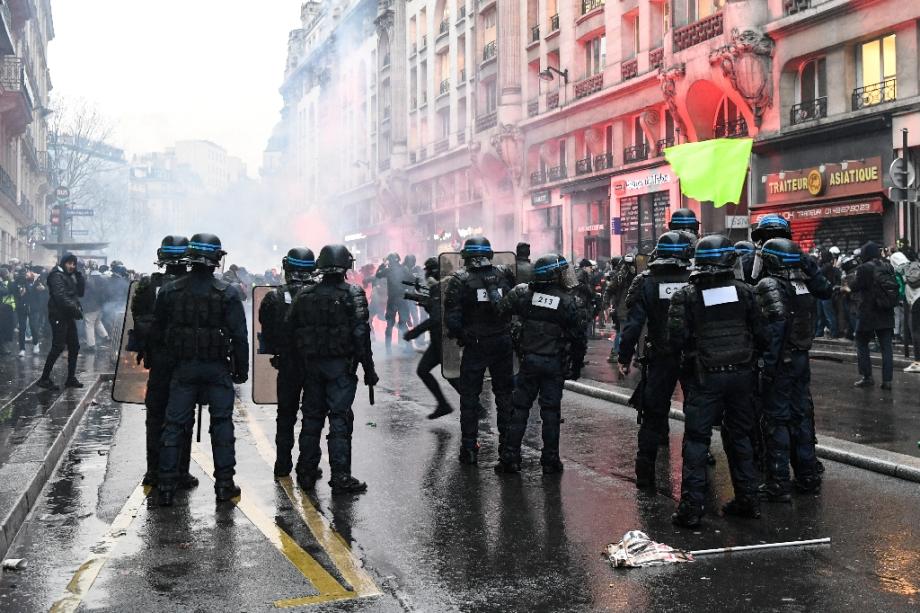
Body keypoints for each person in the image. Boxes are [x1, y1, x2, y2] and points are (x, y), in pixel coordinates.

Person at [667, 235, 766, 528]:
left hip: (704, 377)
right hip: (742, 375)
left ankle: (692, 509)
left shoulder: (686, 296)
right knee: (740, 437)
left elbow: (676, 340)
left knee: (697, 441)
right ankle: (748, 500)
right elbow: (763, 334)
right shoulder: (746, 293)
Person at [155, 234, 249, 506]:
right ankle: (224, 485)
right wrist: (241, 371)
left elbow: (159, 334)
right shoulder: (228, 293)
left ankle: (167, 486)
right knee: (221, 425)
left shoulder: (170, 291)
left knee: (173, 426)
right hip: (216, 369)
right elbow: (239, 337)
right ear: (217, 259)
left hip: (183, 369)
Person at [287, 244, 376, 493]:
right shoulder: (353, 294)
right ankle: (340, 477)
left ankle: (305, 471)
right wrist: (369, 369)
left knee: (312, 419)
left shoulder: (305, 295)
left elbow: (290, 330)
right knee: (339, 419)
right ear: (346, 266)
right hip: (340, 369)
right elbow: (361, 336)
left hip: (312, 367)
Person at [755, 238, 832, 501]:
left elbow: (775, 330)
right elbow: (824, 290)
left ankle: (778, 482)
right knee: (801, 418)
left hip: (782, 361)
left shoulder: (771, 285)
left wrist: (766, 367)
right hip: (801, 357)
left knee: (777, 420)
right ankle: (807, 475)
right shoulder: (803, 284)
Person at [495, 254, 585, 474]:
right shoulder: (567, 301)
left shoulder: (524, 294)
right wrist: (576, 365)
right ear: (554, 275)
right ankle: (550, 460)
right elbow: (578, 338)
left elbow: (501, 310)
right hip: (554, 363)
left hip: (529, 361)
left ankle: (510, 457)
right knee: (551, 413)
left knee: (520, 410)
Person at [617, 232, 693, 488]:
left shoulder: (647, 282)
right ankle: (694, 481)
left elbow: (633, 325)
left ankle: (645, 475)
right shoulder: (694, 278)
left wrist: (624, 356)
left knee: (651, 418)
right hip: (692, 356)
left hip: (661, 357)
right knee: (696, 416)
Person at [130, 236, 197, 489]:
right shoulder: (195, 285)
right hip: (185, 361)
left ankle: (153, 471)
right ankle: (180, 472)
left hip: (158, 360)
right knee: (183, 417)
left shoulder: (148, 284)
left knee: (155, 416)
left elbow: (139, 317)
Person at [443, 236, 516, 465]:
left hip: (475, 345)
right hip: (503, 342)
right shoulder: (504, 275)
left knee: (470, 397)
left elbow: (452, 321)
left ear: (465, 256)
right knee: (504, 395)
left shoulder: (459, 280)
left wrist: (464, 336)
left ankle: (469, 448)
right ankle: (508, 449)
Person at [258, 247, 317, 484]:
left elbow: (266, 328)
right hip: (313, 365)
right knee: (312, 417)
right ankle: (307, 467)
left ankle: (282, 464)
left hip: (287, 364)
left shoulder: (274, 297)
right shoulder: (317, 295)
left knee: (286, 416)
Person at [404, 257, 460, 419]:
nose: (426, 274)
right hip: (439, 341)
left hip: (445, 340)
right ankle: (443, 404)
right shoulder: (444, 286)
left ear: (435, 271)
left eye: (428, 270)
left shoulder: (441, 287)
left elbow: (436, 318)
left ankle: (474, 407)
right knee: (426, 371)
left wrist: (414, 332)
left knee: (452, 376)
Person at [849, 241, 896, 389]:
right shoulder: (888, 266)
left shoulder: (864, 268)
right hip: (886, 311)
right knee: (886, 347)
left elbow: (855, 286)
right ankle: (887, 381)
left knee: (861, 343)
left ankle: (867, 377)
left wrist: (848, 285)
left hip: (868, 313)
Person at [37, 253, 85, 390]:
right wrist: (75, 309)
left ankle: (71, 378)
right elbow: (60, 296)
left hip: (68, 315)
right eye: (69, 263)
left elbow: (80, 293)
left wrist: (79, 276)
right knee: (58, 347)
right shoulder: (56, 275)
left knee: (74, 346)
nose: (72, 266)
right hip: (59, 315)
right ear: (63, 263)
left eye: (74, 264)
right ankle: (44, 378)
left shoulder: (69, 276)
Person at [376, 252, 412, 353]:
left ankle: (388, 349)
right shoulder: (404, 269)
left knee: (390, 324)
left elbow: (377, 275)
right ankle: (408, 347)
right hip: (402, 299)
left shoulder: (388, 270)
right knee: (403, 324)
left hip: (392, 300)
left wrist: (382, 265)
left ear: (390, 261)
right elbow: (412, 280)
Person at [814, 248, 841, 338]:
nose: (819, 257)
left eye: (821, 256)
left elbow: (817, 274)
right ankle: (820, 331)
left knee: (828, 314)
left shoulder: (827, 266)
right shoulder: (826, 265)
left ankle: (833, 332)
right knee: (821, 314)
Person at [574, 259, 600, 338]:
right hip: (581, 302)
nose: (591, 269)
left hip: (583, 301)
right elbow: (578, 284)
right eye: (590, 267)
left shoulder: (584, 274)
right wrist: (588, 290)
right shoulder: (581, 273)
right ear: (584, 267)